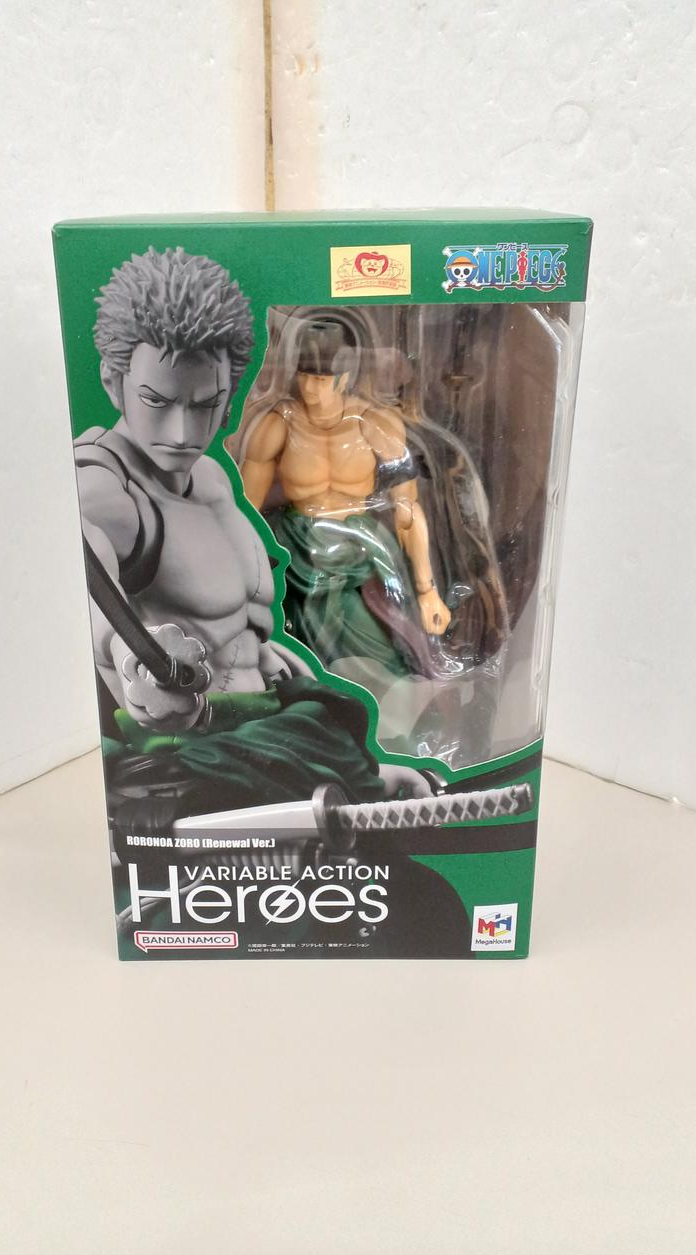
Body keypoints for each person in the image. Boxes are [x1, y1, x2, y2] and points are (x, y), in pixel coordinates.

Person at [74, 247, 423, 825]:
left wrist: (262, 650)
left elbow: (229, 615)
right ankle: (349, 779)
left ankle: (355, 776)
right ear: (114, 383)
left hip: (280, 732)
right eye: (156, 401)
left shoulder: (212, 478)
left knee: (337, 713)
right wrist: (130, 652)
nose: (182, 432)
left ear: (229, 396)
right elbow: (89, 576)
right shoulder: (105, 487)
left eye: (205, 404)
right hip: (198, 759)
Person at [238, 319, 452, 677]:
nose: (310, 388)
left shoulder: (376, 424)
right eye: (305, 376)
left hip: (360, 550)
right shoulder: (277, 424)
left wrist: (427, 590)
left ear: (345, 377)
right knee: (293, 653)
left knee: (387, 655)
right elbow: (245, 512)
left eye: (321, 379)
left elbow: (407, 510)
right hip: (296, 552)